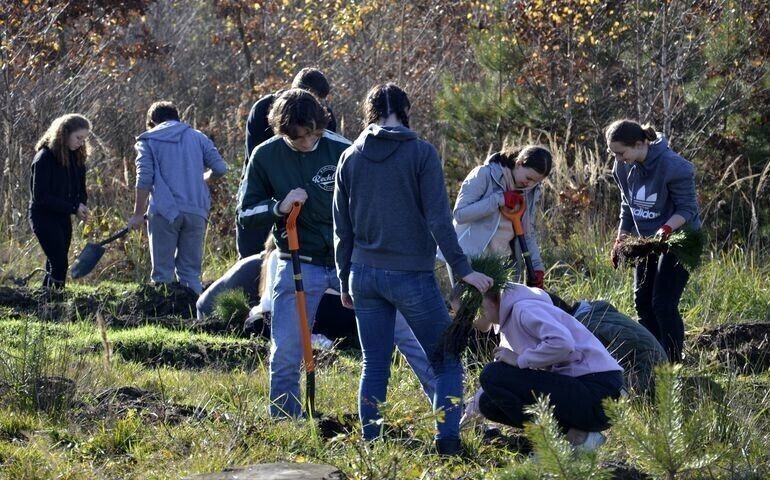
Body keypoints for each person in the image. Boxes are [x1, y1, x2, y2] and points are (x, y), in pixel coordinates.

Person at [333, 83, 493, 455]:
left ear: (369, 111)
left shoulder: (349, 156)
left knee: (374, 363)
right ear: (406, 110)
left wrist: (344, 279)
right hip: (410, 277)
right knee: (447, 359)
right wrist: (462, 269)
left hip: (363, 275)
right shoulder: (421, 153)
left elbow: (341, 228)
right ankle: (448, 443)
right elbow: (439, 218)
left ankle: (372, 445)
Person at [237, 88, 352, 419]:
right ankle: (287, 421)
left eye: (311, 136)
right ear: (281, 131)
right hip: (297, 261)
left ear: (320, 126)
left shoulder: (342, 150)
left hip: (347, 261)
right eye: (296, 138)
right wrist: (278, 207)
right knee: (286, 349)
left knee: (389, 338)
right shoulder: (265, 156)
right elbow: (244, 213)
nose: (305, 143)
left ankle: (378, 417)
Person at [468, 284, 624, 451]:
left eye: (469, 310)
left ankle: (563, 442)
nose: (469, 319)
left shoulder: (524, 309)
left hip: (598, 392)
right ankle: (578, 437)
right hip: (578, 394)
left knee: (492, 374)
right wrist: (467, 417)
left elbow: (563, 344)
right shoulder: (506, 325)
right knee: (488, 403)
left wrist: (521, 359)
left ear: (489, 301)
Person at [606, 119, 702, 362]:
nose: (617, 158)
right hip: (647, 240)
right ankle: (653, 359)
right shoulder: (623, 167)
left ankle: (672, 363)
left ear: (639, 144)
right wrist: (621, 239)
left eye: (620, 152)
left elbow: (688, 209)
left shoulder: (675, 167)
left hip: (681, 238)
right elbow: (627, 205)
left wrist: (666, 229)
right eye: (613, 153)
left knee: (662, 304)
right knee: (643, 303)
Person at [127, 101, 227, 294]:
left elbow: (144, 178)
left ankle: (164, 318)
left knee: (163, 273)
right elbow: (221, 168)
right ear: (177, 117)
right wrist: (204, 178)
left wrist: (138, 214)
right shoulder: (198, 137)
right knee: (190, 274)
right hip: (197, 210)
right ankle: (194, 318)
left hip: (164, 212)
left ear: (152, 122)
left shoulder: (148, 140)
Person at [237, 67, 338, 259]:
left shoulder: (322, 115)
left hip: (303, 200)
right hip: (266, 190)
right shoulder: (262, 110)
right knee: (252, 256)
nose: (316, 105)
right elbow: (257, 160)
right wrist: (280, 204)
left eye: (320, 101)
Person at [447, 146, 552, 288]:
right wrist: (498, 199)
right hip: (467, 256)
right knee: (464, 306)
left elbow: (527, 232)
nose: (530, 184)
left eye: (536, 182)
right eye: (528, 178)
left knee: (498, 308)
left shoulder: (529, 192)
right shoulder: (484, 174)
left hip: (499, 261)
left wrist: (537, 267)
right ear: (519, 162)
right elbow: (460, 215)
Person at [547, 294, 667, 395]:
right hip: (653, 371)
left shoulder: (588, 324)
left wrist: (604, 364)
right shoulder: (589, 315)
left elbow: (628, 337)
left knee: (595, 389)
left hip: (650, 375)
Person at [29, 114, 91, 289]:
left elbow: (80, 189)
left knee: (56, 259)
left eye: (84, 139)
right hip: (43, 216)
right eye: (78, 137)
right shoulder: (44, 157)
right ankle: (55, 301)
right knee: (59, 262)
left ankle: (46, 297)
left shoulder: (77, 157)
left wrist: (81, 205)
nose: (81, 142)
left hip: (63, 216)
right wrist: (73, 207)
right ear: (64, 134)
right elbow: (39, 196)